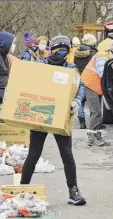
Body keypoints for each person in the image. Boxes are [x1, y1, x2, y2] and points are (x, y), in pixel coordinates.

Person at [20, 35, 86, 206]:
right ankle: (21, 188)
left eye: (65, 51)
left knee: (67, 154)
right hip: (40, 113)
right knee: (34, 153)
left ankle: (73, 190)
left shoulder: (71, 68)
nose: (61, 54)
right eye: (58, 50)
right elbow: (25, 81)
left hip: (61, 116)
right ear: (51, 50)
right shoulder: (39, 66)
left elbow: (80, 86)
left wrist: (77, 100)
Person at [81, 39, 113, 146]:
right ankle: (92, 138)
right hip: (91, 85)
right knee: (95, 111)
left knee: (98, 112)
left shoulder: (108, 57)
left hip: (95, 86)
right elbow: (102, 73)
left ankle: (97, 137)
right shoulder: (102, 56)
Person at [74, 33, 98, 129]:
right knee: (93, 103)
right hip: (90, 79)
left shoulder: (77, 53)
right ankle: (94, 123)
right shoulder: (94, 54)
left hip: (79, 77)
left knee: (81, 100)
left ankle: (81, 121)